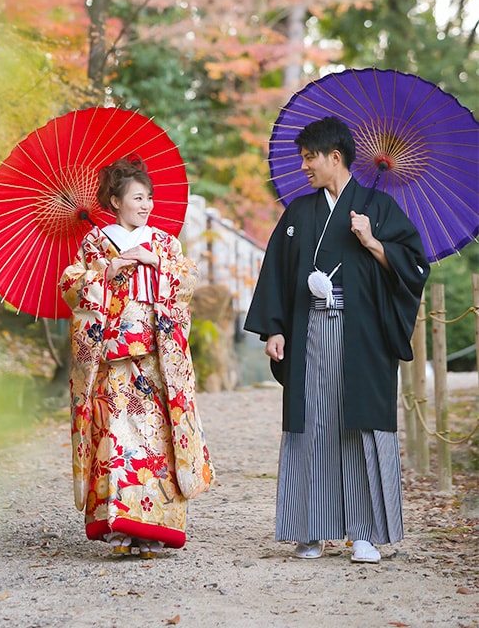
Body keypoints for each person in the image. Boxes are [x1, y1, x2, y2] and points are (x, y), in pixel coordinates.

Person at [244, 116, 429, 564]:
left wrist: (373, 242)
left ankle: (363, 532)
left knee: (358, 424)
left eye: (310, 157)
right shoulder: (299, 213)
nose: (304, 166)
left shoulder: (377, 208)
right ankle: (311, 528)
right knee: (314, 424)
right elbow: (277, 272)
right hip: (309, 327)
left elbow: (415, 265)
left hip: (361, 330)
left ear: (335, 157)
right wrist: (275, 327)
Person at [59, 155, 214, 558]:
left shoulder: (164, 242)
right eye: (137, 198)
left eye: (149, 198)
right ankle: (118, 525)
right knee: (116, 440)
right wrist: (104, 273)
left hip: (156, 359)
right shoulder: (96, 242)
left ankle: (156, 525)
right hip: (112, 358)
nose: (146, 206)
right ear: (114, 201)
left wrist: (156, 262)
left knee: (157, 441)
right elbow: (72, 284)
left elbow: (188, 280)